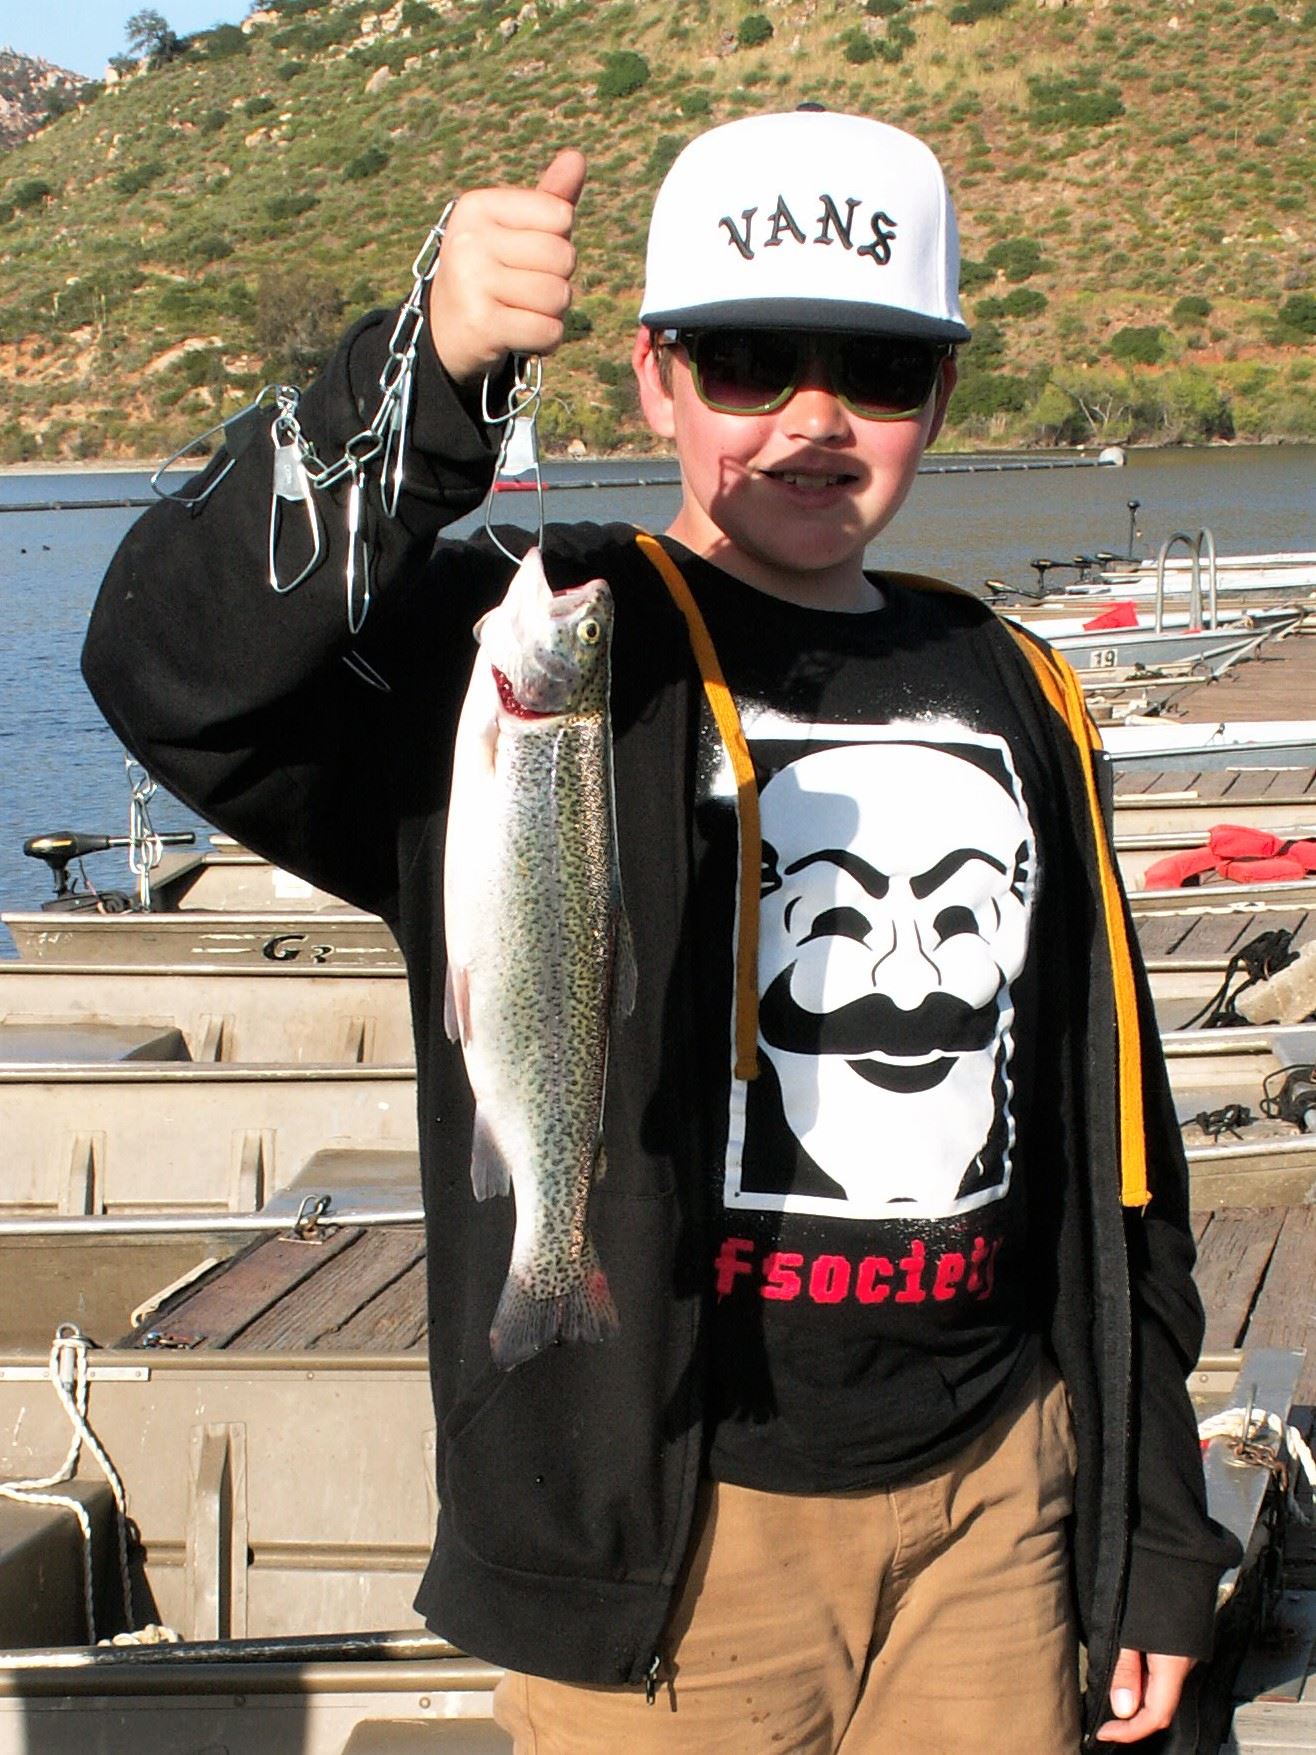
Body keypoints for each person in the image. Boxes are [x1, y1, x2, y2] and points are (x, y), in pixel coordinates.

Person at [83, 108, 1238, 1752]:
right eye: (750, 364)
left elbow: (1114, 1145)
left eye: (878, 373)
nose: (813, 421)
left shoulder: (1016, 682)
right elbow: (173, 669)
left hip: (1000, 1503)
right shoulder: (550, 645)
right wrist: (425, 383)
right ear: (655, 379)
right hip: (672, 1546)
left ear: (940, 399)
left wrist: (1156, 1531)